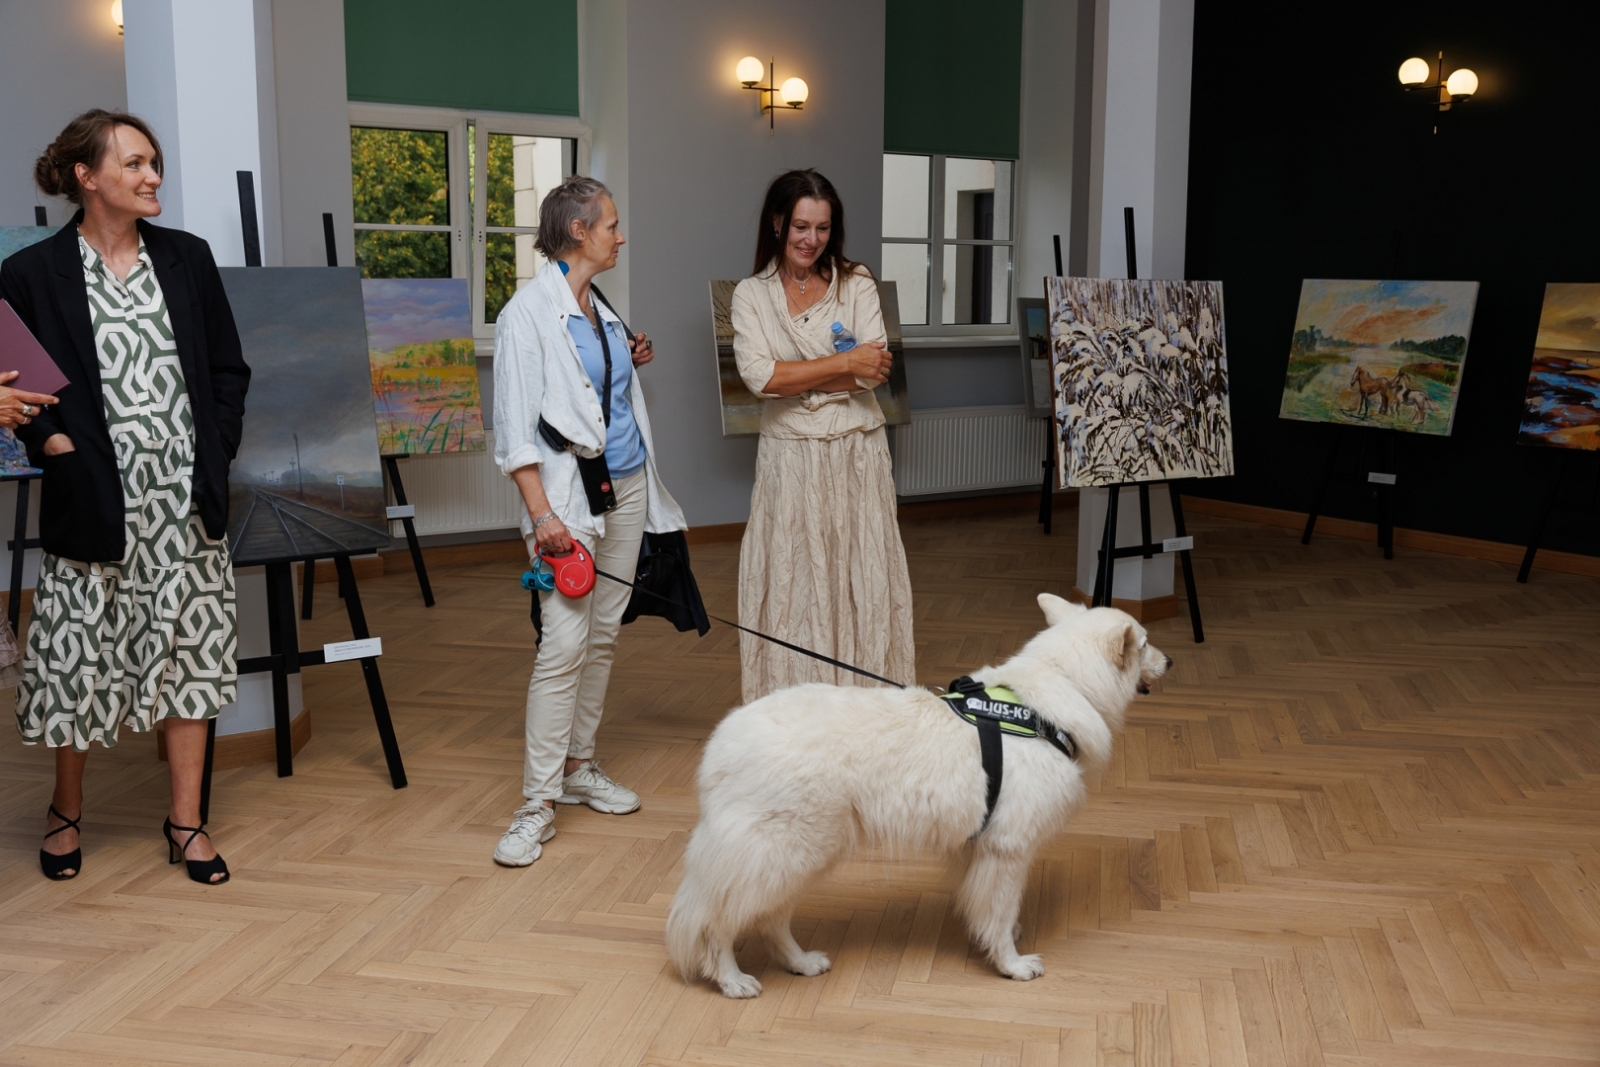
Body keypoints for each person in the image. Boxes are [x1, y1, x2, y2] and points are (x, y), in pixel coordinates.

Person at [0, 109, 250, 883]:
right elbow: (14, 384)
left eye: (155, 163)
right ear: (87, 175)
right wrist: (54, 447)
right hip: (93, 502)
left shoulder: (187, 259)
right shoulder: (30, 274)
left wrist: (214, 452)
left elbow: (226, 373)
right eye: (136, 164)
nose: (153, 177)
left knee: (190, 661)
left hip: (186, 504)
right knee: (79, 662)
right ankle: (65, 809)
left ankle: (186, 822)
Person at [491, 175, 687, 867]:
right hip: (567, 503)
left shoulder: (598, 305)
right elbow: (516, 430)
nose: (619, 234)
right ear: (579, 232)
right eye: (611, 224)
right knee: (562, 646)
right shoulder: (526, 314)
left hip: (627, 486)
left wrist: (626, 362)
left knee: (603, 635)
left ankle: (579, 766)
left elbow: (592, 394)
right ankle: (536, 803)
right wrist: (540, 514)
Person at [731, 169, 915, 703]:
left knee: (860, 569)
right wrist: (841, 363)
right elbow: (759, 377)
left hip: (857, 450)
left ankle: (865, 701)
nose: (812, 240)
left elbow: (873, 370)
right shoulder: (752, 295)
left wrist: (802, 375)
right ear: (777, 224)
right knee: (795, 579)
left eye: (823, 228)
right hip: (790, 458)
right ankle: (794, 706)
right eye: (801, 227)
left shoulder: (856, 283)